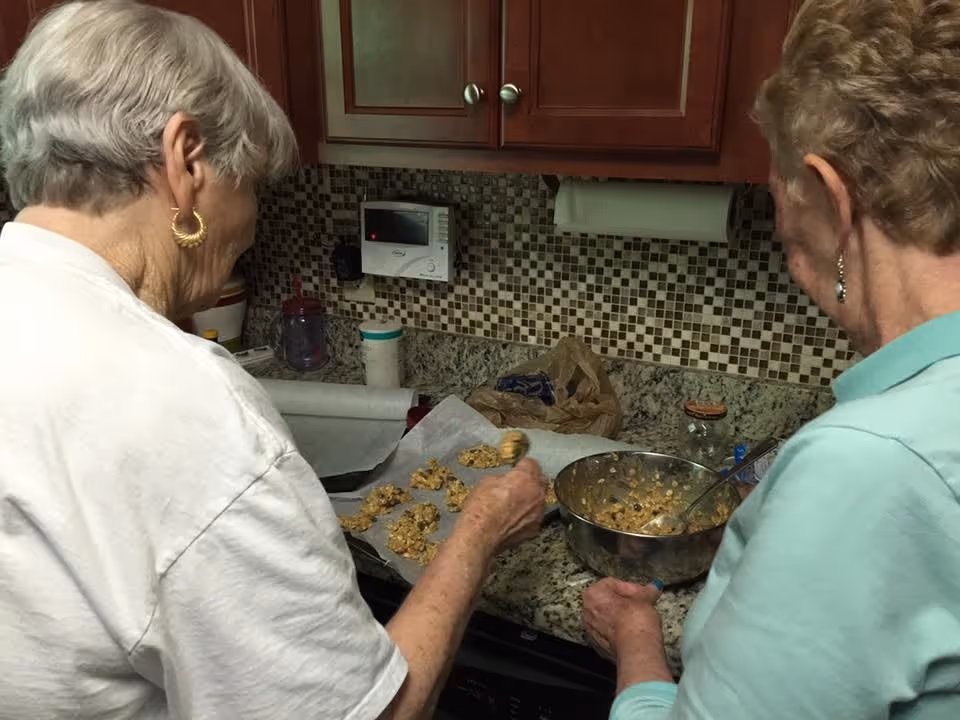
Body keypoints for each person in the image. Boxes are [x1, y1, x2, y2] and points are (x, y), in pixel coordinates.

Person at [0, 3, 546, 719]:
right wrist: (478, 533)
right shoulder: (184, 407)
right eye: (252, 182)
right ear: (185, 158)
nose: (253, 220)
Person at [582, 0, 960, 717]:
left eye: (780, 199)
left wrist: (638, 645)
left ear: (828, 194)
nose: (786, 236)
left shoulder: (871, 464)